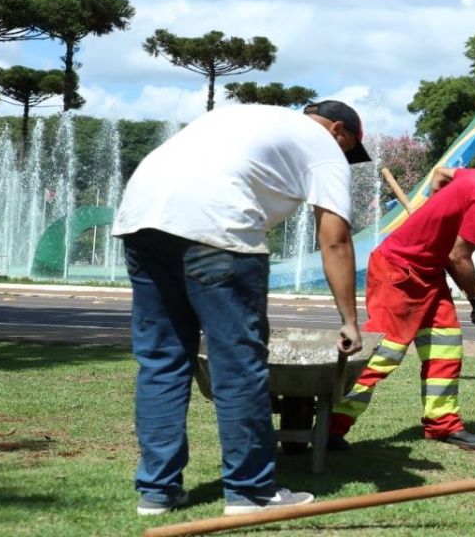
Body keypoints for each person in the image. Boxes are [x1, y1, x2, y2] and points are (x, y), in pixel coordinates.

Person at [113, 100, 370, 516]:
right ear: (339, 131)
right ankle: (250, 492)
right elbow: (335, 240)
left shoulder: (245, 116)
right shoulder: (325, 149)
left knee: (162, 359)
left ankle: (158, 492)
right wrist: (349, 320)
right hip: (217, 224)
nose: (344, 160)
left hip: (141, 216)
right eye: (348, 149)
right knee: (238, 363)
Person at [329, 154, 475, 451]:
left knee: (445, 347)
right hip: (399, 271)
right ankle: (331, 426)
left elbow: (441, 174)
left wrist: (433, 210)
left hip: (427, 273)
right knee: (384, 353)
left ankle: (442, 424)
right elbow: (458, 256)